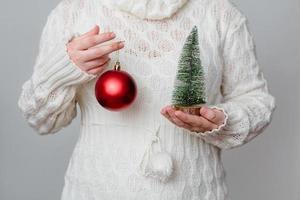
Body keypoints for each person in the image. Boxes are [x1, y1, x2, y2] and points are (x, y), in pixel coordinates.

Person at [18, 0, 277, 199]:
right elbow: (41, 121)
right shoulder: (74, 12)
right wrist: (64, 69)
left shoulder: (219, 13)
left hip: (196, 191)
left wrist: (223, 120)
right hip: (95, 189)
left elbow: (255, 99)